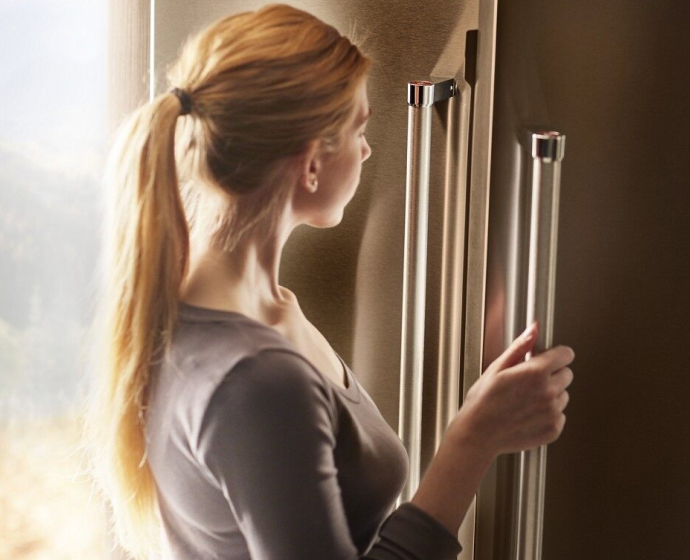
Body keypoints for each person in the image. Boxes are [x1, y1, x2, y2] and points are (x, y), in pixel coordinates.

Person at [81, 4, 575, 559]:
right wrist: (473, 439)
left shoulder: (250, 307)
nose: (368, 150)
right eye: (359, 129)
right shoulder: (255, 380)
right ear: (311, 163)